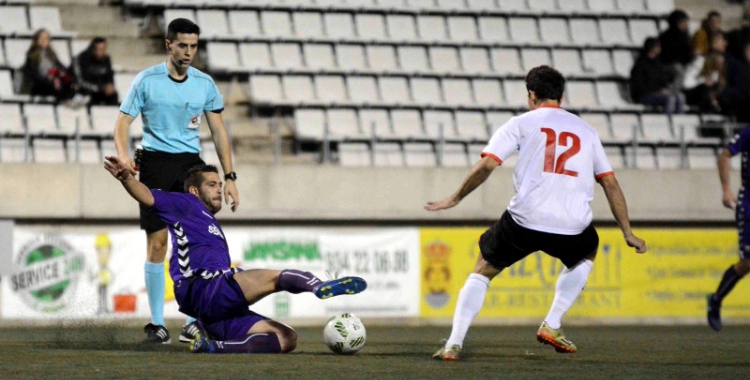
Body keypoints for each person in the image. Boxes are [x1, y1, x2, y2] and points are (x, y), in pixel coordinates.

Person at [427, 66, 647, 361]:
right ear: (561, 96)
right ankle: (552, 323)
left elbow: (488, 164)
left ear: (532, 94)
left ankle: (454, 344)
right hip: (572, 224)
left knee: (483, 268)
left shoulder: (520, 123)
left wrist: (455, 198)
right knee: (588, 251)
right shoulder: (587, 131)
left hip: (525, 219)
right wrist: (627, 232)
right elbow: (609, 182)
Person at [103, 159, 367, 353]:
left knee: (286, 338)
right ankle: (319, 286)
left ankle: (215, 345)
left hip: (213, 311)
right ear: (195, 190)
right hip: (204, 285)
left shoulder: (208, 221)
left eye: (220, 184)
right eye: (212, 185)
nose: (219, 189)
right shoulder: (185, 204)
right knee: (276, 278)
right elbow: (148, 196)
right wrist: (126, 178)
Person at [114, 18, 240, 344]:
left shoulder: (204, 83)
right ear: (168, 44)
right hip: (155, 164)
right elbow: (122, 124)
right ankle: (157, 324)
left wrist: (230, 177)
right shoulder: (147, 80)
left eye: (194, 46)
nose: (188, 52)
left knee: (199, 245)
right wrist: (124, 155)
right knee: (158, 243)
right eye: (182, 45)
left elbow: (219, 131)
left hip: (191, 168)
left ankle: (190, 323)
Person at [707, 127, 750, 331]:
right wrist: (726, 190)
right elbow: (724, 156)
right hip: (749, 204)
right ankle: (716, 300)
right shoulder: (748, 132)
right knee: (747, 262)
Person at [630, 37, 686, 114]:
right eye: (658, 47)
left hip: (658, 93)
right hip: (645, 95)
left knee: (680, 96)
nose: (660, 49)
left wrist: (666, 89)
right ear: (652, 48)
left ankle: (679, 121)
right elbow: (639, 87)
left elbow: (663, 80)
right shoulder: (640, 65)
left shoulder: (657, 63)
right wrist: (658, 91)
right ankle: (668, 121)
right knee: (670, 98)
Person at [21, 28, 75, 102]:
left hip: (53, 82)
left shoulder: (51, 55)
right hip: (40, 86)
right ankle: (67, 100)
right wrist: (51, 80)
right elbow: (34, 76)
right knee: (58, 86)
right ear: (36, 40)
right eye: (41, 38)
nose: (44, 40)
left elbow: (62, 68)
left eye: (46, 38)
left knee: (70, 82)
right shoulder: (31, 56)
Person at [71, 37, 118, 106]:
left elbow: (110, 77)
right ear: (93, 49)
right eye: (98, 49)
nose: (100, 52)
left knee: (113, 95)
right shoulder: (82, 59)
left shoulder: (106, 60)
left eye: (103, 49)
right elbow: (80, 81)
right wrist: (100, 88)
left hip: (101, 91)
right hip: (86, 91)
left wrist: (109, 86)